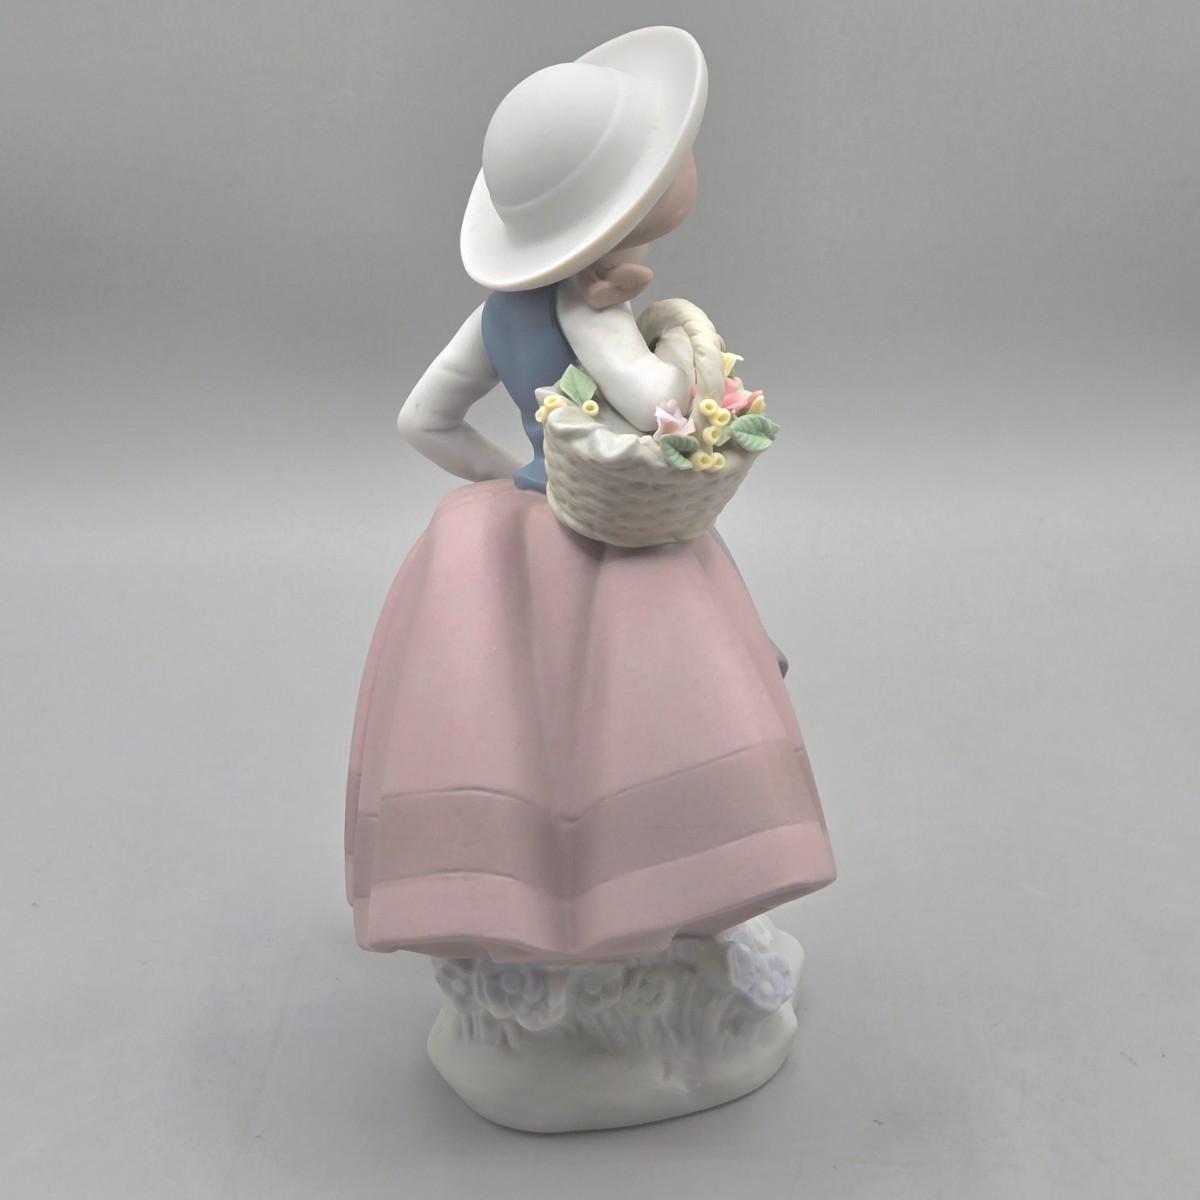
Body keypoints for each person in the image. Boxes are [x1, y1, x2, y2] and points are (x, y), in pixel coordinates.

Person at [345, 27, 835, 966]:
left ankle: (552, 909)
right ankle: (637, 908)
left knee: (531, 729)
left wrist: (519, 479)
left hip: (538, 512)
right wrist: (673, 346)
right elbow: (655, 405)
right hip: (616, 526)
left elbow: (423, 419)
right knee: (644, 714)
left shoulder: (494, 313)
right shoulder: (587, 301)